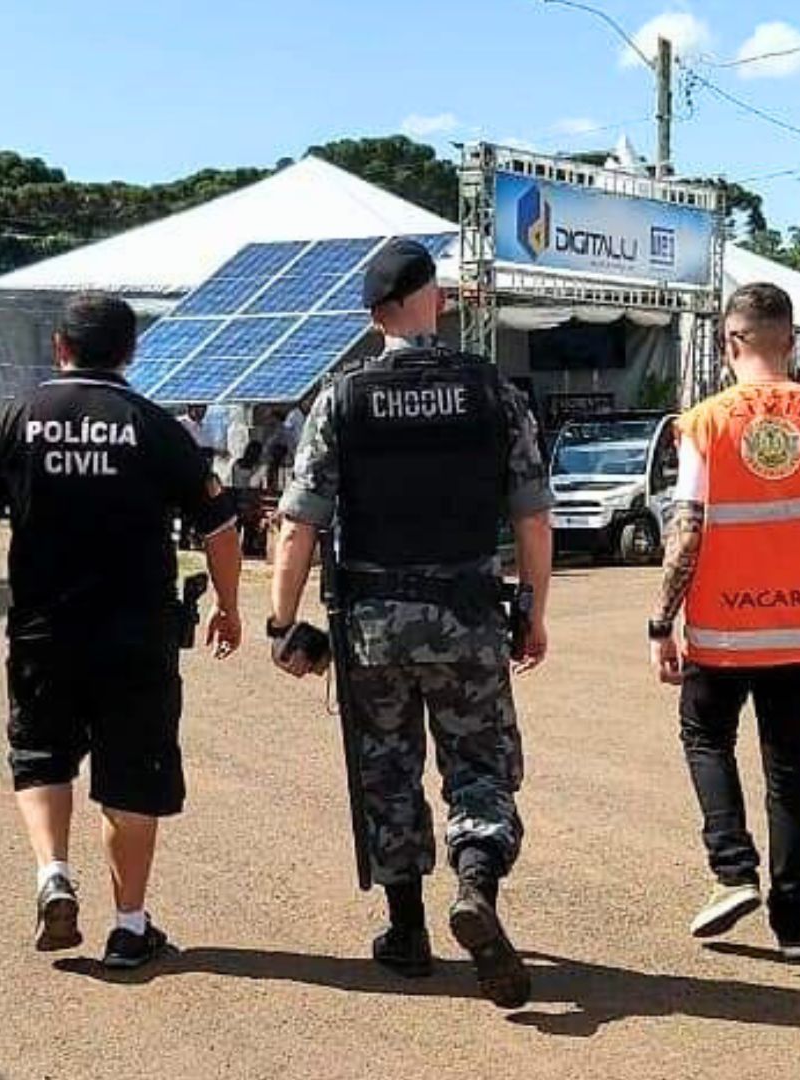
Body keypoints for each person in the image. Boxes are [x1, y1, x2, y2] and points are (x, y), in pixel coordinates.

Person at [267, 239, 553, 1010]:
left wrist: (280, 623)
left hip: (371, 629)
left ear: (373, 313)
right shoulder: (493, 392)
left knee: (386, 772)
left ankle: (408, 933)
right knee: (481, 768)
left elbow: (299, 525)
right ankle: (475, 883)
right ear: (429, 298)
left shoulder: (344, 397)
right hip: (468, 618)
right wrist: (533, 610)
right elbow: (533, 515)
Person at [0, 293, 244, 972]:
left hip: (43, 631)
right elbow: (223, 527)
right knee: (131, 780)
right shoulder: (155, 427)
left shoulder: (15, 420)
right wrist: (229, 606)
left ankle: (53, 872)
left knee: (40, 756)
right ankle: (129, 926)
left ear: (60, 347)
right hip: (137, 637)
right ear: (130, 352)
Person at [647, 283, 800, 960]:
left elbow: (688, 530)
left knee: (706, 738)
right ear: (790, 342)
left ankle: (732, 870)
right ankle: (796, 925)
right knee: (791, 768)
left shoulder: (703, 422)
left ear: (731, 342)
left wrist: (660, 623)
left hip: (724, 628)